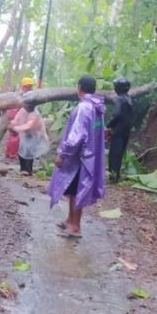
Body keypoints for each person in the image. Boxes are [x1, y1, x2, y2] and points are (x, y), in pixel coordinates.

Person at [47, 74, 106, 238]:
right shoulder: (98, 107)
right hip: (90, 156)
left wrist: (63, 154)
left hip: (79, 157)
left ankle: (75, 227)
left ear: (79, 88)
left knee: (75, 191)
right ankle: (70, 220)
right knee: (74, 189)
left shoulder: (84, 108)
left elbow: (77, 135)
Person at [9, 103, 50, 175]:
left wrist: (15, 128)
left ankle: (28, 170)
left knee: (29, 152)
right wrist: (13, 124)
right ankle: (23, 169)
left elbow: (29, 125)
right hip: (25, 134)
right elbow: (16, 119)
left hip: (34, 134)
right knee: (22, 150)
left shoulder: (35, 114)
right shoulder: (22, 110)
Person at [106, 77, 133, 183]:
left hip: (118, 131)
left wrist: (109, 125)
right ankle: (116, 175)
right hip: (126, 130)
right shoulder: (129, 99)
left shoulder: (120, 100)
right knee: (120, 152)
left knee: (114, 153)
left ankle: (114, 176)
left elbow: (116, 115)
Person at [5, 77, 35, 160]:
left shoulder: (26, 95)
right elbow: (14, 109)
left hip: (18, 118)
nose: (31, 88)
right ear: (26, 86)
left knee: (16, 137)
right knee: (14, 137)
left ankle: (11, 154)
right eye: (30, 86)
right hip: (15, 117)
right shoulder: (21, 96)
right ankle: (11, 154)